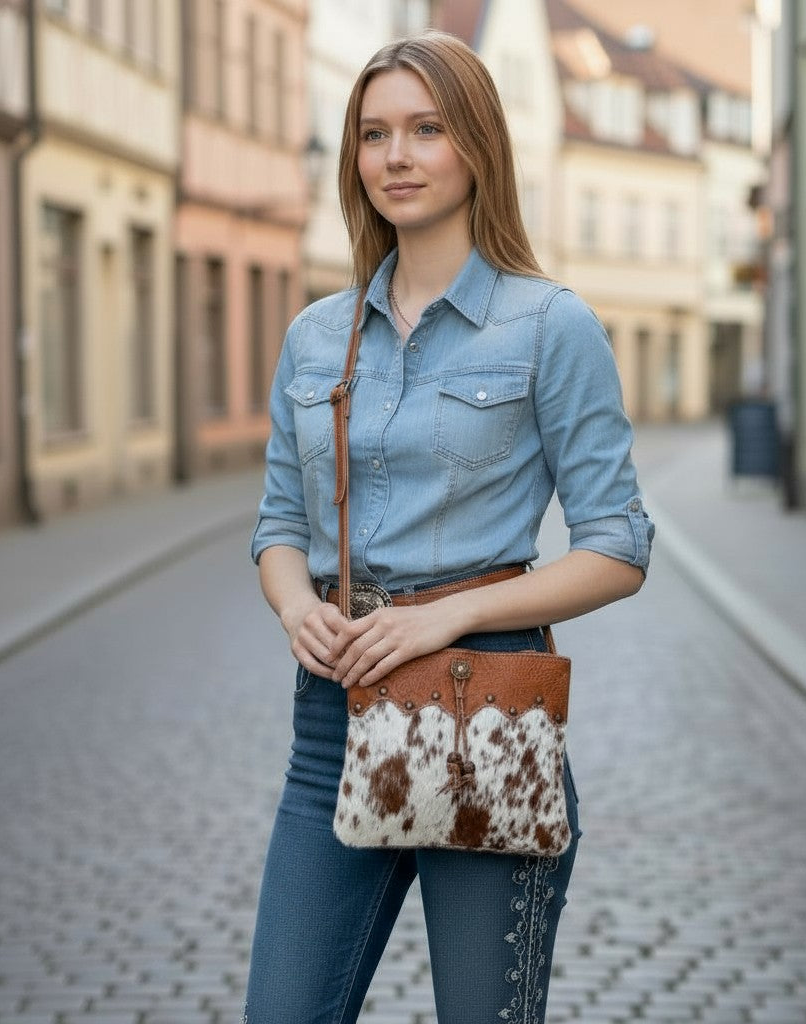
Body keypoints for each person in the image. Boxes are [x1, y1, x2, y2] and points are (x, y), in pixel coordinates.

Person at [244, 30, 653, 1024]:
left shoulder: (549, 326)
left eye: (426, 129)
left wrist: (441, 618)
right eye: (373, 133)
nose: (396, 156)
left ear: (474, 145)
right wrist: (297, 604)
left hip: (487, 710)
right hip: (332, 716)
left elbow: (616, 547)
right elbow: (278, 526)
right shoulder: (313, 336)